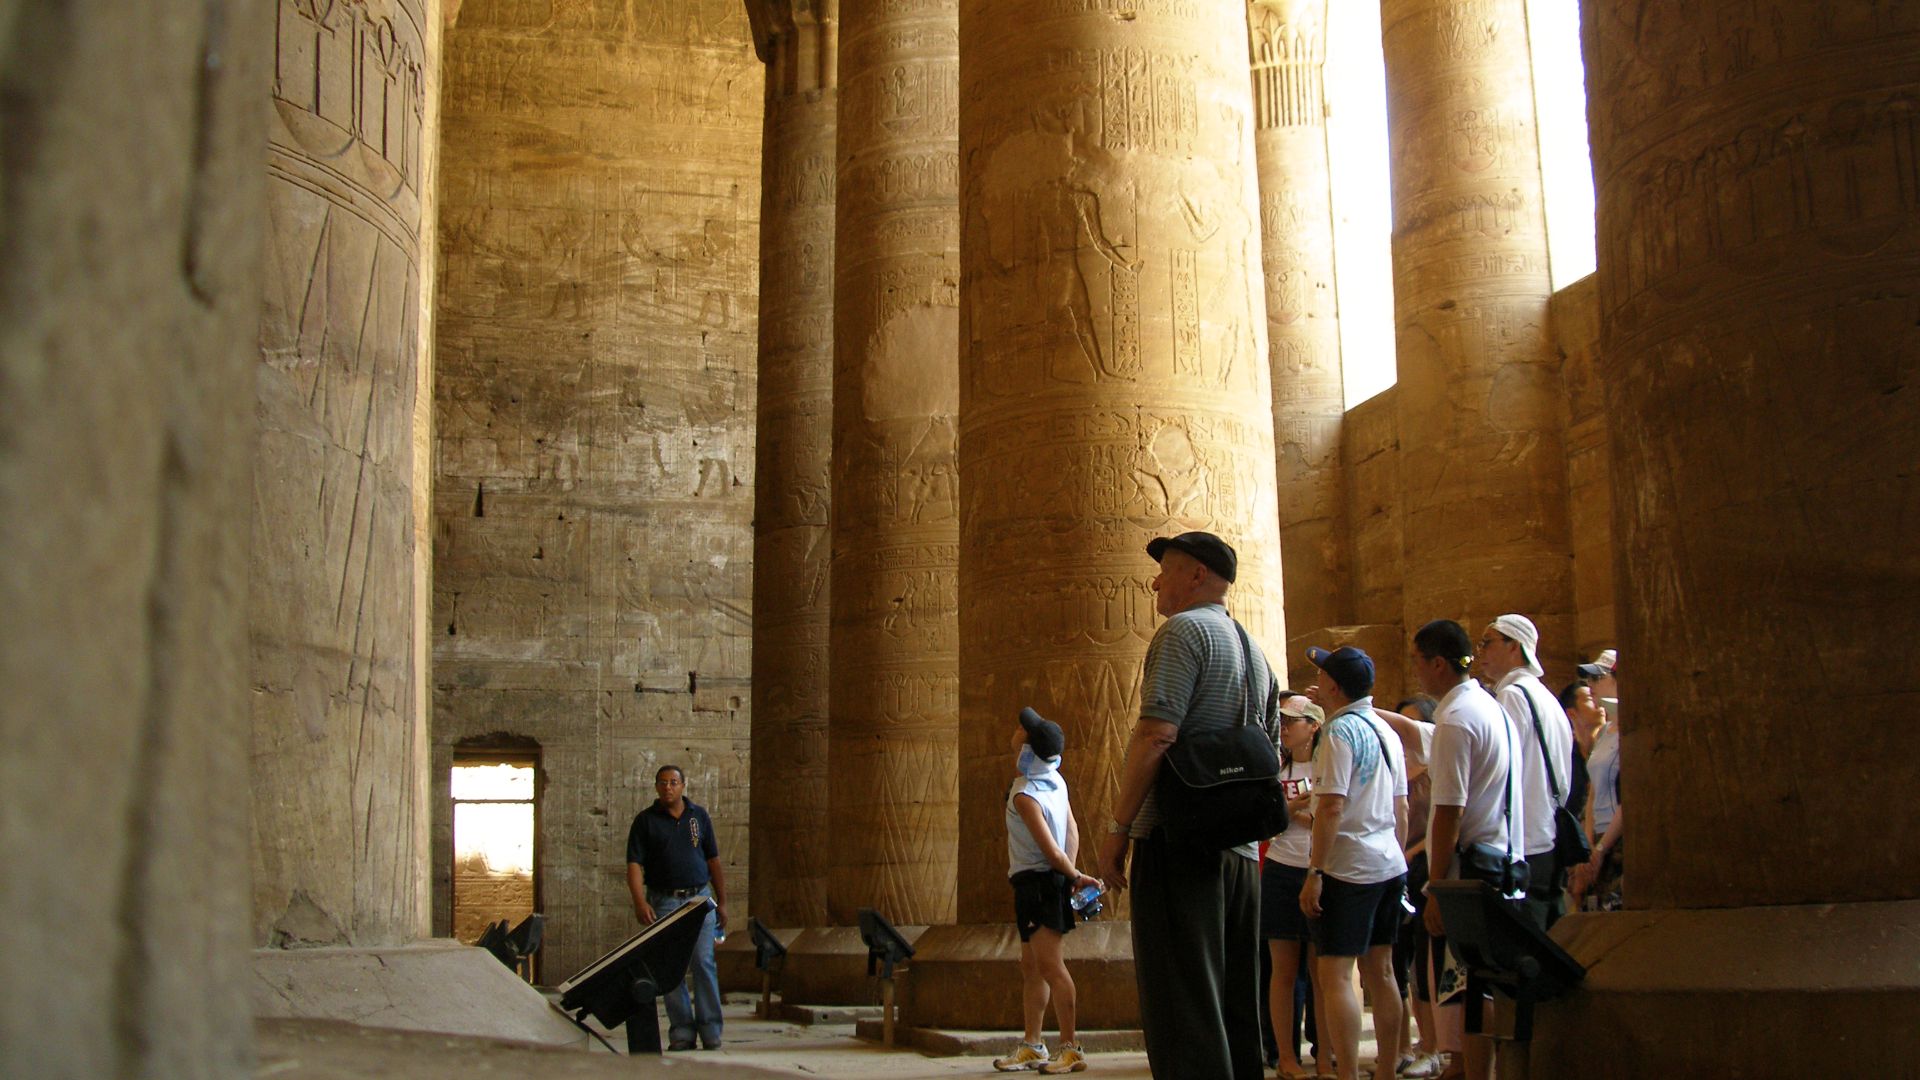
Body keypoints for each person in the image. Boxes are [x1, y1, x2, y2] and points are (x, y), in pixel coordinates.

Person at [1097, 531, 1272, 1080]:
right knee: (1232, 1004)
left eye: (1166, 569)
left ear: (1197, 575)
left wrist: (1118, 827)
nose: (1155, 581)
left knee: (1182, 1007)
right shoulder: (1253, 648)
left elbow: (1156, 734)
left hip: (1180, 839)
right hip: (1239, 847)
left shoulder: (1184, 631)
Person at [1410, 620, 1523, 1080]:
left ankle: (1475, 1071)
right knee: (1475, 985)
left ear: (1438, 664)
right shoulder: (1485, 705)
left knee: (1470, 986)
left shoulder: (1456, 720)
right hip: (1497, 855)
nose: (1416, 671)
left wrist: (1436, 886)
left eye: (1418, 661)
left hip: (1468, 869)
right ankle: (1465, 1067)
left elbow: (1450, 811)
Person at [1298, 646, 1408, 1080]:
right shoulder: (1385, 730)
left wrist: (1315, 873)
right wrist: (1392, 854)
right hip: (1388, 863)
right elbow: (1402, 808)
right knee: (1382, 971)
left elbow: (1329, 808)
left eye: (1323, 675)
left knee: (1336, 976)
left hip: (1347, 867)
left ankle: (1346, 1074)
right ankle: (1386, 1070)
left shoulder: (1338, 732)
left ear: (1332, 686)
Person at [994, 707, 1102, 1074]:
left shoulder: (1025, 794)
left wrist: (1071, 872)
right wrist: (1069, 875)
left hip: (1038, 883)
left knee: (1052, 967)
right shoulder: (1056, 780)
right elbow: (1070, 830)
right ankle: (1033, 1043)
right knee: (1032, 966)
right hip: (1048, 880)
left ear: (1028, 751)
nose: (1017, 732)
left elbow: (1050, 847)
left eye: (1023, 732)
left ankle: (1070, 1047)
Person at [1477, 615, 1574, 929]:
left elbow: (1502, 769)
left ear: (1513, 646)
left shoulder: (1513, 696)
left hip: (1525, 841)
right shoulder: (1544, 696)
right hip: (1546, 835)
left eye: (1487, 643)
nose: (1480, 653)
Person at [625, 765, 727, 1050]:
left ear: (683, 786)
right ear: (656, 787)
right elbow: (634, 865)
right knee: (671, 969)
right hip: (665, 900)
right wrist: (639, 900)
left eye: (673, 782)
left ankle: (711, 1029)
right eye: (663, 783)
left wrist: (723, 901)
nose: (668, 787)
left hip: (699, 898)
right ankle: (682, 1031)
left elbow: (713, 861)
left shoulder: (699, 816)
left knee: (703, 963)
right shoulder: (645, 821)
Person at [1263, 693, 1325, 1080]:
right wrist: (1292, 811)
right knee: (1282, 970)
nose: (1284, 728)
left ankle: (1328, 1057)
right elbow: (1266, 818)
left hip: (1320, 866)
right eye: (1281, 721)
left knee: (1324, 973)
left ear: (1314, 726)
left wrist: (1309, 815)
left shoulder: (1328, 763)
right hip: (1282, 866)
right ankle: (1286, 1056)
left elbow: (1337, 816)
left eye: (1292, 721)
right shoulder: (1275, 766)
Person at [1570, 650, 1624, 911]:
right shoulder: (1605, 730)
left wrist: (1602, 848)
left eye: (1597, 678)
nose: (1589, 686)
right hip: (1599, 837)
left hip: (1618, 839)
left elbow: (1628, 795)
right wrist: (1588, 844)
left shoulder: (1627, 731)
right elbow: (1592, 792)